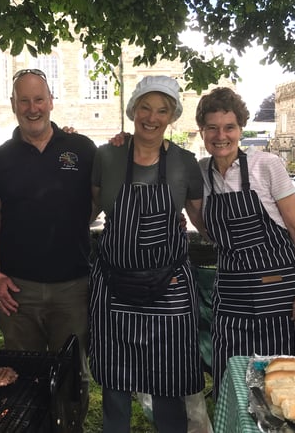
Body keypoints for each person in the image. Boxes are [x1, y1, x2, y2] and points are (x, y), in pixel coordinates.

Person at [0, 68, 96, 430]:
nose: (33, 108)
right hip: (18, 290)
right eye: (25, 100)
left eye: (39, 99)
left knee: (72, 377)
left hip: (73, 288)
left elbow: (97, 201)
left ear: (51, 101)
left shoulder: (82, 149)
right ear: (13, 104)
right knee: (22, 375)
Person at [89, 75, 205, 433]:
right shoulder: (107, 155)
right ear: (133, 110)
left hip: (169, 288)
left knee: (169, 380)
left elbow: (202, 220)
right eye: (145, 108)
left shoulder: (185, 162)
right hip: (114, 286)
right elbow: (88, 211)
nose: (152, 118)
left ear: (172, 117)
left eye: (162, 110)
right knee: (116, 382)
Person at [195, 87, 295, 399]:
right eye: (212, 128)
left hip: (281, 296)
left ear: (240, 129)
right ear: (202, 131)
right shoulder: (200, 173)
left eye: (229, 127)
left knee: (292, 384)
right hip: (231, 298)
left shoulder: (266, 166)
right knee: (236, 383)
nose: (220, 135)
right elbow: (207, 230)